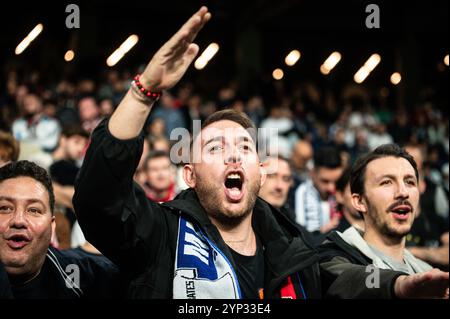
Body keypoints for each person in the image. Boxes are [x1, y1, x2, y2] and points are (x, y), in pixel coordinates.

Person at [73, 7, 448, 299]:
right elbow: (99, 198)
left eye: (246, 148)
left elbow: (343, 280)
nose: (234, 156)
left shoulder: (292, 248)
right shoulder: (159, 233)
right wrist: (144, 92)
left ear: (260, 171)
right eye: (216, 147)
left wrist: (398, 288)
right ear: (188, 174)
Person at [319, 144, 449, 298]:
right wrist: (399, 285)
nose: (403, 192)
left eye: (409, 182)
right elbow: (351, 280)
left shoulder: (426, 273)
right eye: (386, 182)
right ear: (359, 202)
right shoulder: (332, 258)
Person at [0, 161, 120, 298]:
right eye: (5, 208)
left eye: (33, 210)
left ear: (52, 226)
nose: (18, 220)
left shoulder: (79, 274)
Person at [294, 145, 344, 234]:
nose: (331, 187)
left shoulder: (343, 190)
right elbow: (305, 236)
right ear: (312, 173)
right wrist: (327, 228)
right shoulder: (303, 193)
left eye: (336, 181)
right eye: (325, 181)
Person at [334, 166, 365, 233]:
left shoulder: (383, 234)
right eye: (353, 191)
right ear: (339, 196)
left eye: (363, 190)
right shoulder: (334, 239)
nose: (360, 197)